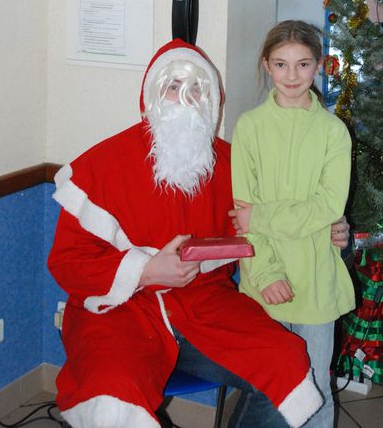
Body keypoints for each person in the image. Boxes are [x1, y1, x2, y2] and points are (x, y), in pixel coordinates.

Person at [48, 38, 350, 428]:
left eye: (197, 89)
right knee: (113, 392)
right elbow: (68, 263)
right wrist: (145, 270)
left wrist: (325, 227)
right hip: (120, 313)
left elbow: (268, 213)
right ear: (152, 94)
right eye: (173, 87)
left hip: (207, 309)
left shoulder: (227, 161)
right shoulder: (103, 164)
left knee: (288, 362)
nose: (184, 99)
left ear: (213, 100)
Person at [229, 21, 356, 428]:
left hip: (316, 279)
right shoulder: (249, 127)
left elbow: (327, 206)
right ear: (267, 65)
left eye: (303, 65)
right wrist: (265, 272)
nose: (292, 76)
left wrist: (262, 216)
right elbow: (241, 210)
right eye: (281, 65)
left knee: (315, 386)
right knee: (269, 389)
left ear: (318, 66)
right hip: (262, 279)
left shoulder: (333, 132)